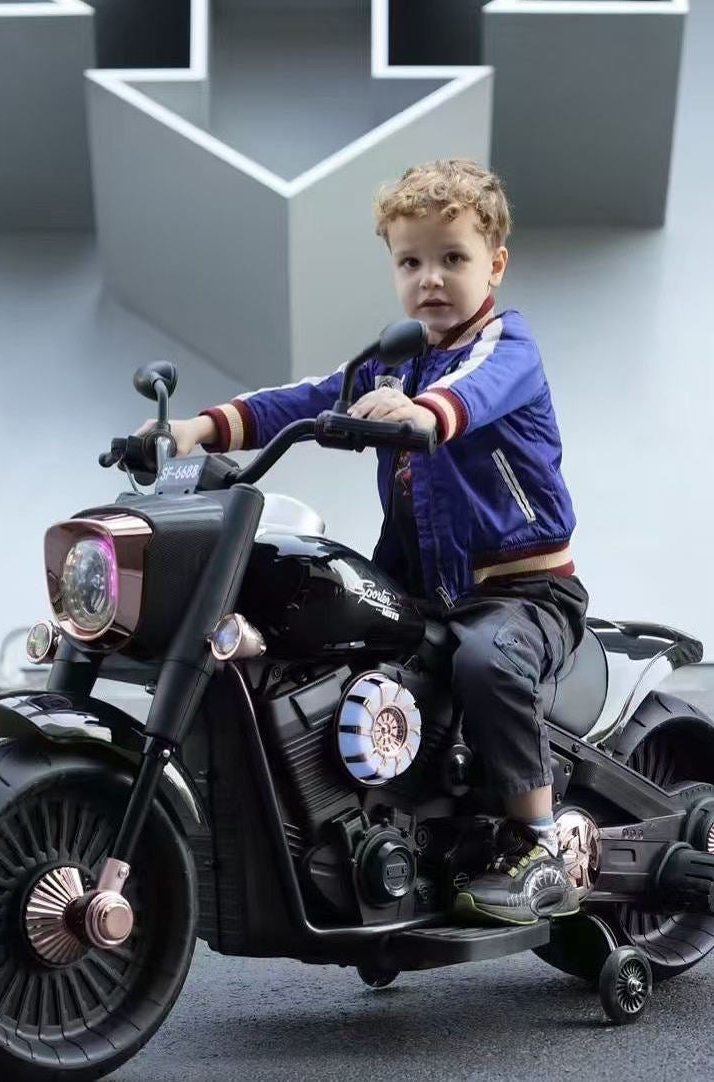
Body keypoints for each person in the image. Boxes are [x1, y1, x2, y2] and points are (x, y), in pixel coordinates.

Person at [136, 159, 587, 926]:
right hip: (420, 588)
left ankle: (538, 844)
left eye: (453, 258)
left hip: (521, 592)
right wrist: (192, 430)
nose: (431, 279)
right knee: (317, 629)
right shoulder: (389, 360)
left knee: (487, 661)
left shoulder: (510, 346)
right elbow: (303, 399)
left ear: (496, 264)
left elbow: (467, 395)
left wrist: (421, 414)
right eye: (411, 261)